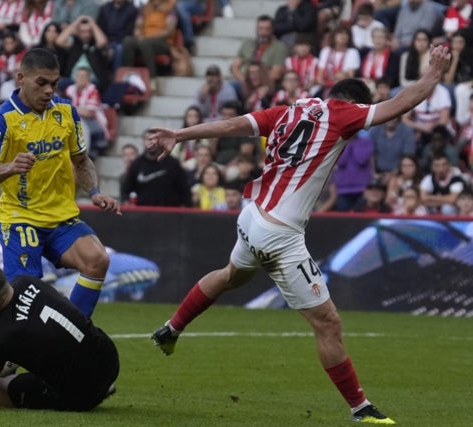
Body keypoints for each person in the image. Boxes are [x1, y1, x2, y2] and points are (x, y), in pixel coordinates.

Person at [146, 41, 454, 427]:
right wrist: (435, 73)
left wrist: (180, 134)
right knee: (328, 323)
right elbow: (402, 102)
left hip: (252, 216)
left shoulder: (290, 110)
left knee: (230, 275)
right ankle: (361, 409)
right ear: (354, 103)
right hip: (280, 234)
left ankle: (170, 328)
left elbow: (231, 125)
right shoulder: (344, 114)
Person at [0, 47, 120, 318]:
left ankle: (73, 332)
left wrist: (94, 192)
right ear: (21, 78)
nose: (49, 91)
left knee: (97, 260)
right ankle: (3, 354)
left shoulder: (66, 112)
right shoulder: (3, 120)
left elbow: (81, 160)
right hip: (21, 218)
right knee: (27, 296)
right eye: (41, 83)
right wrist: (10, 167)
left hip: (61, 217)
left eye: (54, 83)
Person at [0, 262, 119, 411]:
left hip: (81, 395)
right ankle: (101, 385)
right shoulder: (27, 281)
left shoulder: (0, 335)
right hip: (108, 359)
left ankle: (94, 392)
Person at [121, 129, 193, 205]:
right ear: (143, 142)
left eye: (154, 139)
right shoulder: (136, 164)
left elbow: (185, 191)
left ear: (160, 141)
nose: (151, 142)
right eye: (148, 139)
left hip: (170, 213)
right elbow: (126, 190)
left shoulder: (173, 164)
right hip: (142, 213)